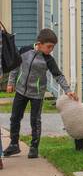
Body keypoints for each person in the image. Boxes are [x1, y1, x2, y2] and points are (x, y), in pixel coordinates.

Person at [3, 29, 77, 160]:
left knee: (35, 120)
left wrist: (68, 90)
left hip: (37, 94)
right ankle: (14, 144)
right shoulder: (25, 50)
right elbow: (15, 66)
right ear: (39, 43)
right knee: (15, 117)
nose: (50, 50)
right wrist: (11, 82)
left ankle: (34, 147)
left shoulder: (48, 59)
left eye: (52, 47)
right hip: (21, 91)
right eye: (49, 46)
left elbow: (58, 76)